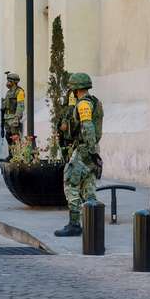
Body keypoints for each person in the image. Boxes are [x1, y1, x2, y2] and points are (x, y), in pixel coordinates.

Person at [54, 73, 103, 237]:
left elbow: (87, 127)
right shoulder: (94, 101)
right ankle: (93, 222)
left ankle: (74, 224)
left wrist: (90, 150)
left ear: (75, 89)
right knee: (88, 186)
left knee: (71, 183)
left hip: (84, 150)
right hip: (89, 149)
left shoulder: (83, 105)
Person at [0, 73, 25, 153]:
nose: (7, 83)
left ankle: (18, 155)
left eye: (9, 81)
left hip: (13, 117)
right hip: (7, 117)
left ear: (14, 82)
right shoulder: (8, 92)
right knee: (8, 136)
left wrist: (17, 118)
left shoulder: (19, 92)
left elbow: (20, 106)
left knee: (15, 137)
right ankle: (11, 154)